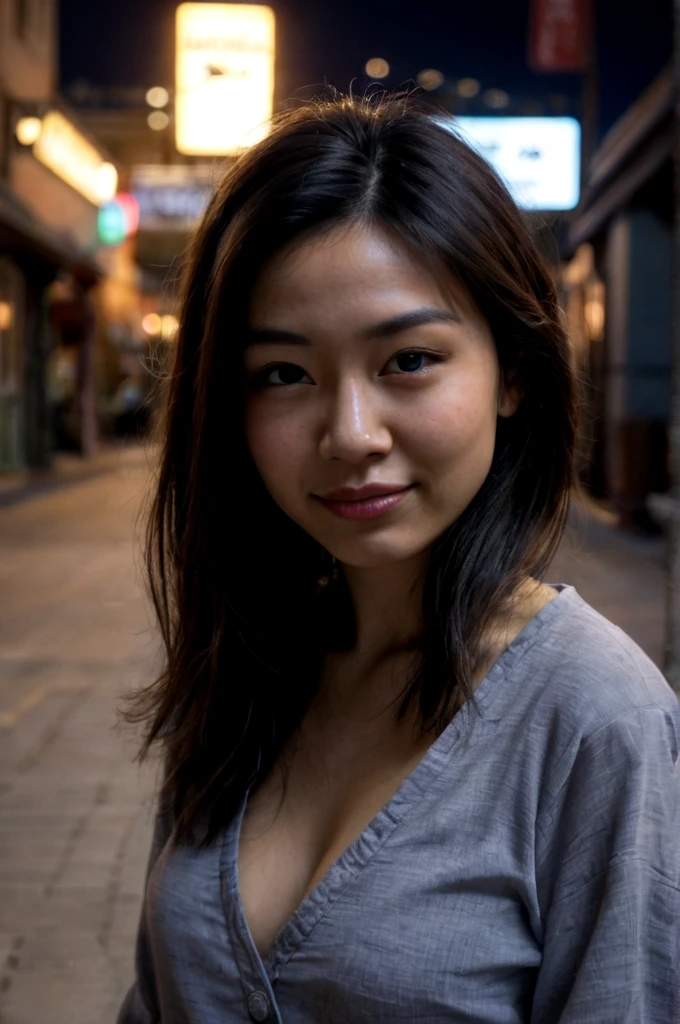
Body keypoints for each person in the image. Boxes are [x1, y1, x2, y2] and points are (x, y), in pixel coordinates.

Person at [118, 97, 679, 1024]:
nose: (349, 434)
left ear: (514, 372)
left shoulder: (596, 720)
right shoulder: (249, 661)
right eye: (285, 374)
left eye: (409, 360)